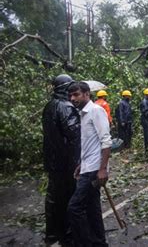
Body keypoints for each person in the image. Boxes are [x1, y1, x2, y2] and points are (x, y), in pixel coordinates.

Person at [67, 82, 112, 247]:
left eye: (76, 94)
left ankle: (86, 243)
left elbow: (106, 141)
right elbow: (88, 143)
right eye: (70, 95)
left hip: (94, 170)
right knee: (92, 208)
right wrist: (81, 163)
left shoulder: (96, 111)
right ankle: (99, 242)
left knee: (74, 208)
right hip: (88, 166)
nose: (73, 98)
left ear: (87, 94)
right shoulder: (83, 114)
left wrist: (102, 169)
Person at [42, 74, 81, 245]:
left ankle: (51, 233)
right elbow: (74, 135)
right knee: (68, 197)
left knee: (53, 196)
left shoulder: (49, 106)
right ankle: (67, 233)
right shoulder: (66, 107)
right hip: (66, 162)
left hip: (52, 160)